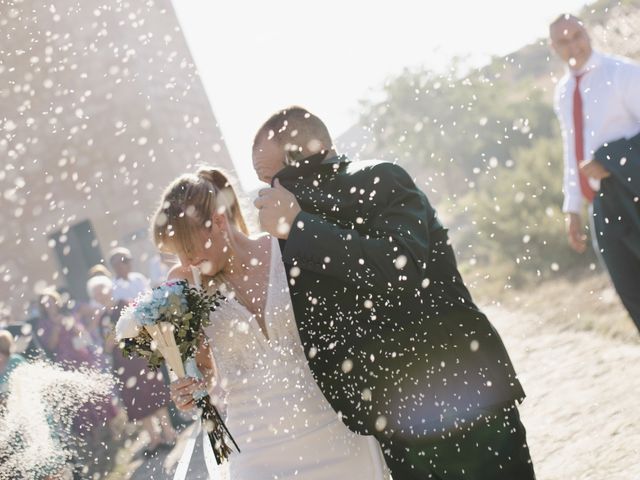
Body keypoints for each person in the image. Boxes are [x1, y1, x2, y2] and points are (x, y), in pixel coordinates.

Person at [251, 106, 536, 479]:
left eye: (272, 178)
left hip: (466, 391)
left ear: (303, 161)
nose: (267, 194)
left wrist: (300, 226)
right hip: (396, 417)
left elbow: (397, 266)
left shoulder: (380, 178)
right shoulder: (292, 224)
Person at [154, 167, 390, 479]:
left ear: (220, 222)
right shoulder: (186, 284)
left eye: (188, 249)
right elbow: (204, 371)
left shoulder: (286, 248)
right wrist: (190, 386)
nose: (185, 262)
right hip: (256, 450)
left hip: (336, 429)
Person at [550, 14, 640, 332]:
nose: (574, 44)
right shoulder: (562, 92)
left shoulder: (622, 73)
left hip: (633, 191)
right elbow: (571, 149)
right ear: (554, 47)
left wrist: (615, 160)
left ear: (587, 33)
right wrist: (572, 207)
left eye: (578, 35)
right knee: (630, 289)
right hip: (600, 203)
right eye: (564, 40)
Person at [86, 275, 177, 454]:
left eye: (102, 290)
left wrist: (123, 334)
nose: (100, 295)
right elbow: (103, 346)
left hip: (139, 356)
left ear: (110, 289)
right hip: (122, 363)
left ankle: (169, 433)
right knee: (138, 400)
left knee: (154, 394)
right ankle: (154, 438)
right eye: (95, 294)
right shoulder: (101, 317)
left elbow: (142, 328)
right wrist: (108, 342)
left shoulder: (125, 305)